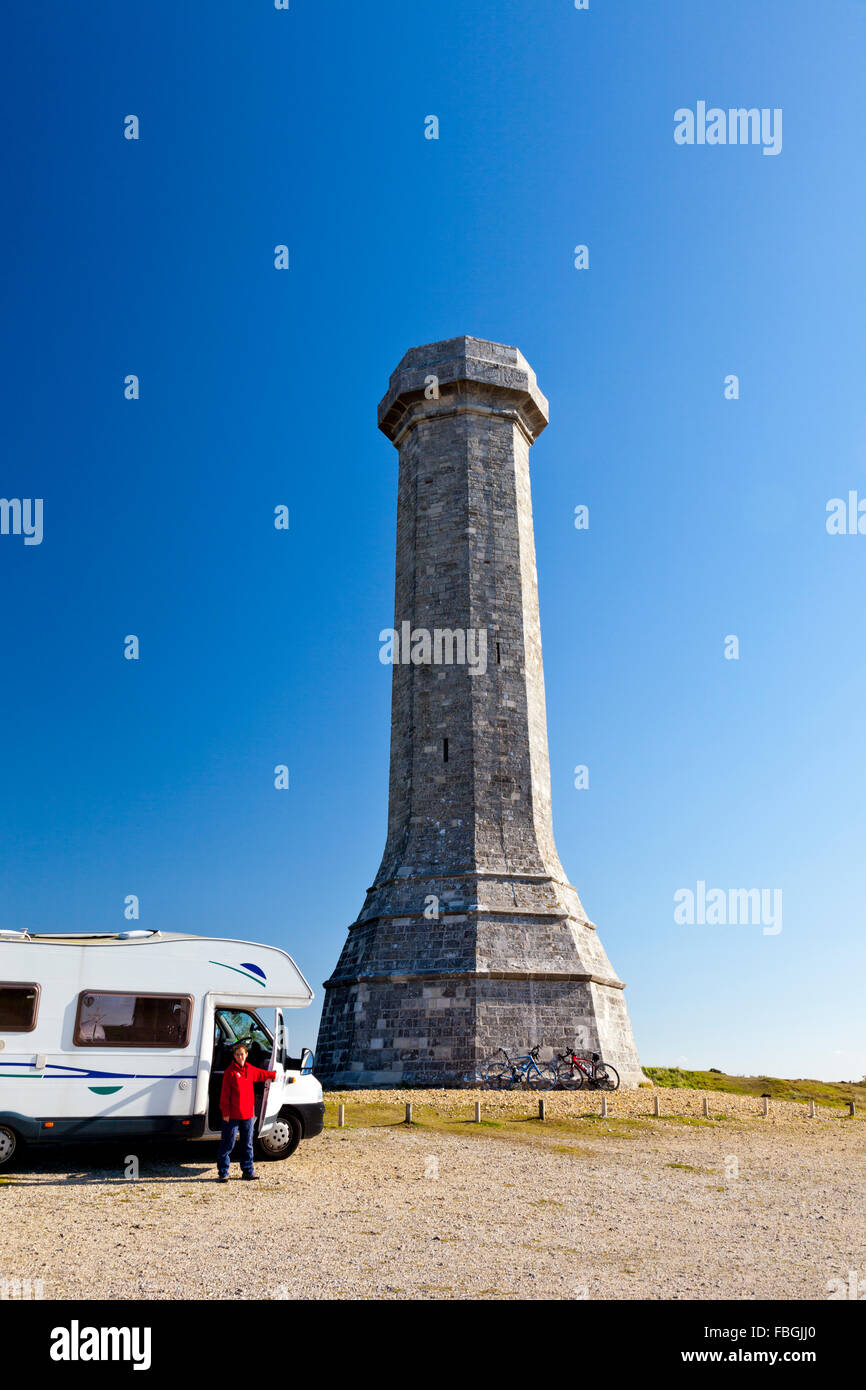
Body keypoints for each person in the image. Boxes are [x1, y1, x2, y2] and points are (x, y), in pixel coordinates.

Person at [217, 1041, 276, 1182]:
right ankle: (223, 1172)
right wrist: (225, 1112)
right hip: (232, 1116)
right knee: (228, 1144)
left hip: (248, 1114)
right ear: (234, 1056)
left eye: (242, 1054)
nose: (240, 1057)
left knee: (247, 1144)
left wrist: (274, 1075)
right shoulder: (229, 1072)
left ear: (246, 1055)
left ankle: (248, 1171)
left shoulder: (250, 1070)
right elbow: (224, 1095)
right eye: (237, 1055)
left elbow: (262, 1074)